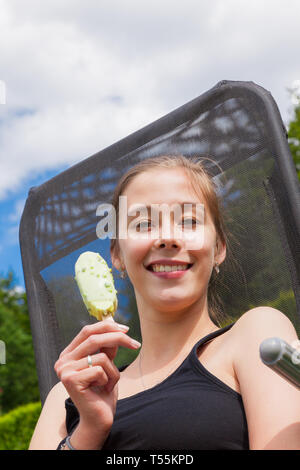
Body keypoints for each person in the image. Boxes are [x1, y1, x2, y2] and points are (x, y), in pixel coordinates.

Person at [29, 155, 300, 450]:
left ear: (218, 248)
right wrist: (89, 431)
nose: (167, 238)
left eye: (188, 220)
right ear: (117, 255)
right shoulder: (67, 396)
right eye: (144, 224)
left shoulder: (257, 336)